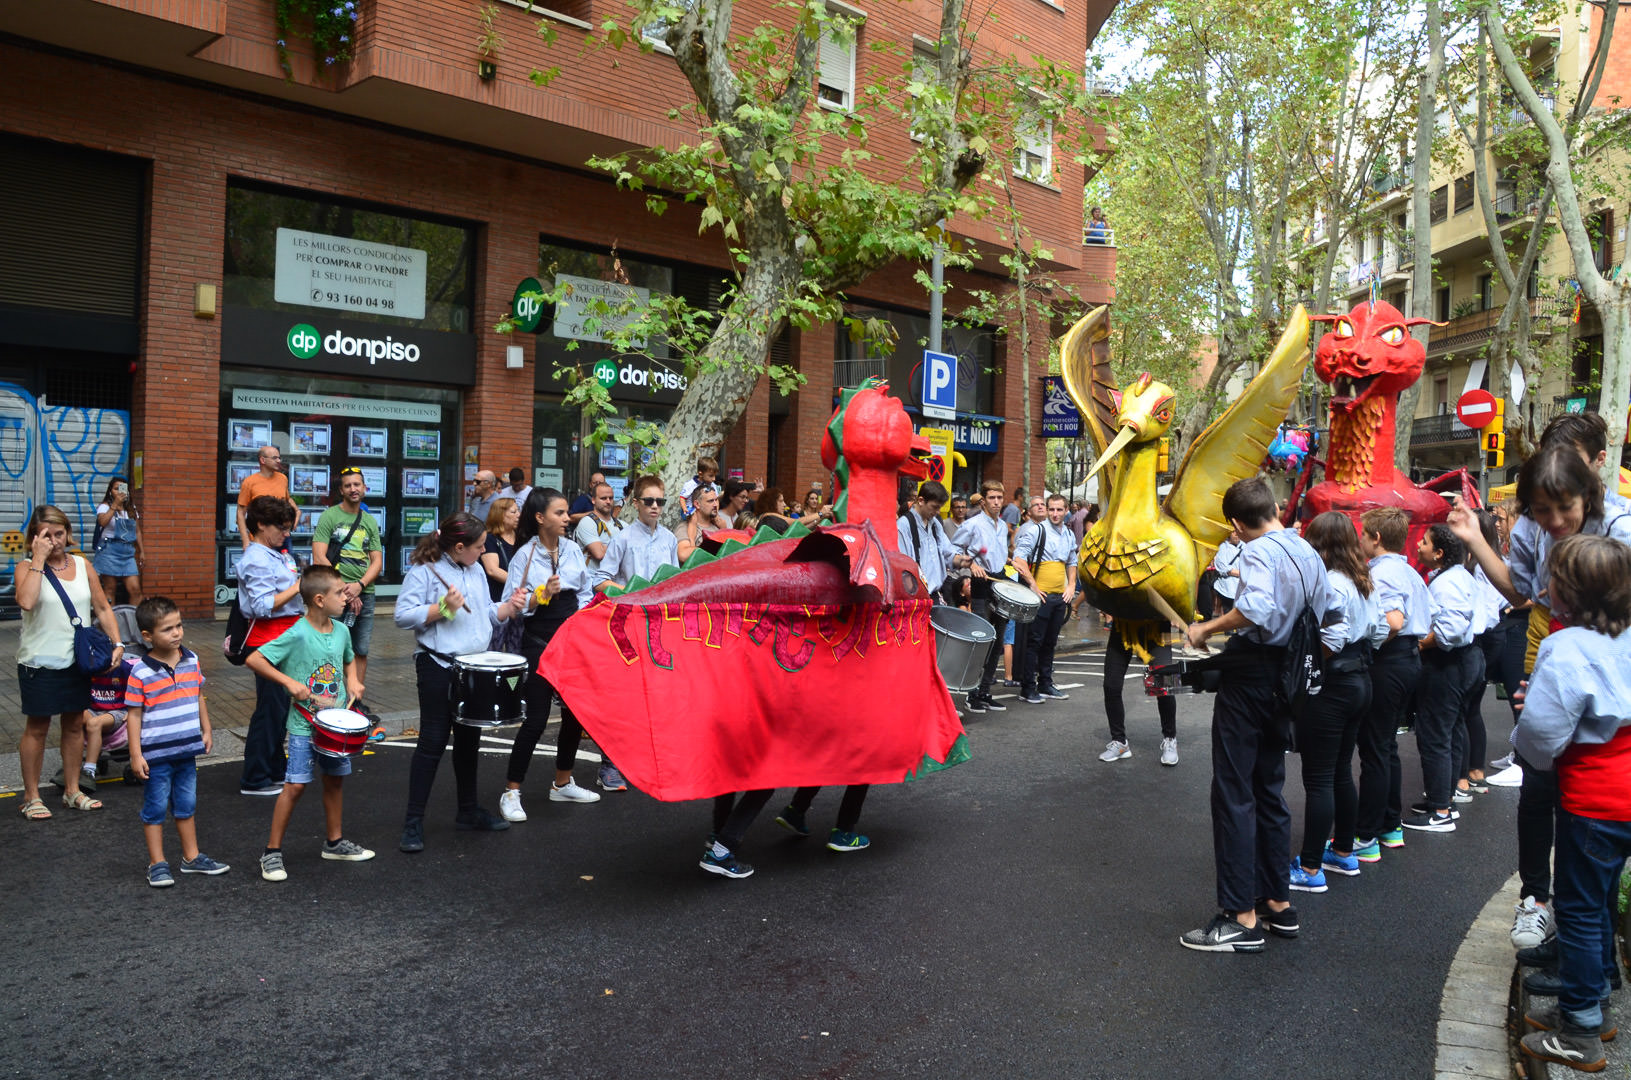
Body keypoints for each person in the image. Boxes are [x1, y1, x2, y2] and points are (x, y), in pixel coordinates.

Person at [1451, 425, 1631, 950]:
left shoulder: (1620, 524)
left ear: (1590, 475)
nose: (1550, 520)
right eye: (1539, 508)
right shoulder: (1533, 525)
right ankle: (1541, 903)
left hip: (1607, 654)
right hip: (1556, 646)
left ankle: (1586, 932)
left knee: (1591, 796)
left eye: (1562, 507)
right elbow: (1525, 592)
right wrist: (1476, 539)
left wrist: (1575, 678)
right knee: (1541, 784)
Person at [1180, 477, 1334, 953]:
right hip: (1288, 678)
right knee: (1268, 788)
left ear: (1236, 523)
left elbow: (1257, 609)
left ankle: (1238, 915)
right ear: (1274, 508)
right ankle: (1276, 903)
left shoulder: (1256, 552)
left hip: (1253, 676)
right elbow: (1329, 613)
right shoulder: (1306, 550)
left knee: (1233, 791)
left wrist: (1207, 628)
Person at [1513, 534, 1631, 1073]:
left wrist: (1528, 734)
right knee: (1602, 902)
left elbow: (1541, 734)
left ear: (1571, 592)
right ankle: (1597, 1001)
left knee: (1581, 910)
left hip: (1594, 798)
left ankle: (1581, 1028)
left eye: (1553, 579)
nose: (1545, 588)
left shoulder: (1565, 647)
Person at [395, 513, 529, 853]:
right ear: (458, 547)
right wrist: (441, 608)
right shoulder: (424, 572)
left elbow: (486, 613)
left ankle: (468, 811)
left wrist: (509, 607)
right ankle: (413, 822)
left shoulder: (476, 570)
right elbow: (402, 616)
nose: (484, 551)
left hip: (473, 666)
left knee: (469, 741)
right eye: (479, 546)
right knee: (433, 742)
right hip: (437, 664)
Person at [247, 565, 374, 881]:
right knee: (295, 785)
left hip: (335, 725)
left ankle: (334, 842)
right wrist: (288, 682)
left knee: (334, 780)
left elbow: (349, 660)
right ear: (319, 599)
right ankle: (271, 852)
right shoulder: (297, 633)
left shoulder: (342, 631)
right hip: (305, 725)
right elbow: (255, 659)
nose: (346, 597)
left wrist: (353, 680)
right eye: (339, 593)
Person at [1287, 511, 1378, 893]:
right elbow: (1379, 630)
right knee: (1340, 770)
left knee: (1319, 777)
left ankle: (1310, 868)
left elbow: (1332, 638)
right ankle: (1342, 851)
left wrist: (1306, 660)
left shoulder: (1333, 584)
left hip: (1334, 684)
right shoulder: (1361, 580)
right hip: (1360, 679)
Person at [15, 505, 124, 820]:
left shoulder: (82, 564)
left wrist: (117, 643)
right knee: (38, 728)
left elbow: (102, 607)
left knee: (75, 725)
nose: (54, 540)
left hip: (78, 662)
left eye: (59, 533)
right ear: (34, 538)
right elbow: (26, 601)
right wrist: (38, 559)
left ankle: (72, 791)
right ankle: (31, 797)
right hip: (39, 663)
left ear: (68, 533)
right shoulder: (26, 567)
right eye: (46, 535)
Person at [499, 488, 602, 821]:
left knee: (574, 715)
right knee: (537, 719)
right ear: (540, 518)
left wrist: (582, 618)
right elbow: (511, 605)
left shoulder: (572, 550)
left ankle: (562, 782)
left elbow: (585, 591)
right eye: (560, 513)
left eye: (567, 512)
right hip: (538, 642)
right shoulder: (524, 556)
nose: (567, 518)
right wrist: (539, 595)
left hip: (571, 639)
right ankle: (511, 791)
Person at [125, 596, 229, 886]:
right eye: (167, 629)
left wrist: (206, 729)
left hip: (186, 750)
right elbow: (133, 715)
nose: (176, 633)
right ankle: (157, 863)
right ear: (147, 636)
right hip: (156, 755)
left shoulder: (191, 660)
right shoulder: (140, 671)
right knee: (155, 807)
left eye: (179, 626)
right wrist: (135, 754)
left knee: (186, 804)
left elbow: (198, 695)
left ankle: (191, 857)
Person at [1353, 506, 1431, 864]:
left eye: (1363, 533)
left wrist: (1367, 642)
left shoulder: (1383, 572)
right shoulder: (1409, 571)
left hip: (1389, 662)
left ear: (1376, 538)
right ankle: (1389, 825)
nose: (1360, 539)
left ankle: (1366, 836)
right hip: (1408, 660)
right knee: (1385, 746)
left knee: (1375, 749)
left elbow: (1394, 621)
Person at [592, 475, 680, 791]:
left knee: (655, 695)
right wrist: (630, 593)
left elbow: (675, 581)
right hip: (628, 624)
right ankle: (610, 764)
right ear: (635, 503)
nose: (655, 506)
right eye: (649, 501)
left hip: (659, 626)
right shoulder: (623, 538)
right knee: (623, 697)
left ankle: (647, 762)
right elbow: (599, 579)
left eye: (660, 501)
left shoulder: (669, 539)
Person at [1406, 522, 1481, 834]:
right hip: (1461, 662)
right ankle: (1444, 801)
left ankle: (1440, 812)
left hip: (1447, 664)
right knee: (1449, 732)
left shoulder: (1448, 582)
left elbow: (1450, 630)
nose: (1418, 545)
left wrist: (1419, 644)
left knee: (1436, 735)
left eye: (1424, 542)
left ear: (1438, 553)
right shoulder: (1453, 577)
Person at [237, 495, 304, 797]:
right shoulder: (257, 558)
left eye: (288, 528)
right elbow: (262, 606)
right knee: (270, 710)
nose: (286, 533)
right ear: (262, 525)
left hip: (282, 638)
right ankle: (255, 778)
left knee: (278, 709)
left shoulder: (273, 554)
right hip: (268, 641)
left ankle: (274, 769)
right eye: (281, 528)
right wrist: (298, 587)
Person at [311, 467, 384, 734]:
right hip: (334, 596)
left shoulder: (369, 521)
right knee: (331, 647)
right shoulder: (330, 516)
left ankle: (355, 701)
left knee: (360, 649)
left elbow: (377, 560)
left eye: (357, 484)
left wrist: (360, 586)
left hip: (365, 593)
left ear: (364, 488)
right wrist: (344, 590)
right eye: (348, 485)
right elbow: (319, 556)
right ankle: (329, 698)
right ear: (341, 490)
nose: (353, 489)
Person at [952, 479, 1011, 714]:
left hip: (1000, 582)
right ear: (983, 501)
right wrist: (972, 564)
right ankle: (972, 694)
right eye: (992, 498)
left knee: (998, 640)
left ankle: (985, 692)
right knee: (982, 640)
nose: (996, 502)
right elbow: (954, 550)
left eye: (999, 498)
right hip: (980, 583)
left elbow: (999, 553)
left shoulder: (1003, 526)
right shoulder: (973, 524)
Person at [1013, 494, 1077, 705]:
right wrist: (1033, 585)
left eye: (1059, 510)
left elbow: (1072, 561)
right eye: (1051, 509)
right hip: (1040, 597)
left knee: (1050, 642)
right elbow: (1019, 559)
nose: (1055, 514)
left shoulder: (1068, 534)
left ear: (1066, 510)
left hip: (1059, 597)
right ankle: (1027, 688)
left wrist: (1071, 585)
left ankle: (1045, 684)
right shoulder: (1036, 531)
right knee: (1034, 642)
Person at [897, 481, 965, 598]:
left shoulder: (935, 524)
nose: (938, 512)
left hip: (935, 594)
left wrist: (963, 561)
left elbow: (948, 552)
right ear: (921, 501)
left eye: (939, 508)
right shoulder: (904, 525)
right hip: (916, 597)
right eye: (935, 507)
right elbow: (903, 567)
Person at [93, 475, 143, 605]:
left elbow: (137, 531)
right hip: (109, 551)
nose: (119, 492)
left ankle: (133, 617)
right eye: (116, 489)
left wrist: (142, 551)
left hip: (127, 553)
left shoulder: (131, 509)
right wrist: (114, 505)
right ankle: (110, 617)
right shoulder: (105, 507)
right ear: (110, 491)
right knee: (110, 589)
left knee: (135, 589)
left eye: (122, 489)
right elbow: (102, 522)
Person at [237, 444, 299, 547]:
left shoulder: (283, 479)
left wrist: (297, 511)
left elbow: (286, 500)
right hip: (261, 540)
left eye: (279, 458)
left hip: (282, 538)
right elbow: (240, 513)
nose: (279, 461)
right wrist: (245, 540)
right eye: (275, 458)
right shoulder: (249, 482)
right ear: (262, 460)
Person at [572, 481, 622, 572]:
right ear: (593, 500)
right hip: (592, 579)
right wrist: (622, 548)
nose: (608, 501)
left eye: (611, 498)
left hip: (615, 578)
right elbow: (599, 554)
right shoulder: (587, 522)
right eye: (603, 498)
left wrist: (605, 547)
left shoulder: (622, 525)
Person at [479, 497, 521, 602]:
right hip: (498, 599)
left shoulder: (521, 537)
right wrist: (521, 583)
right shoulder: (490, 539)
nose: (519, 515)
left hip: (519, 599)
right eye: (513, 512)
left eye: (518, 511)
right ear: (500, 516)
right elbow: (493, 570)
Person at [676, 482, 727, 562]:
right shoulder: (685, 527)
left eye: (716, 500)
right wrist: (712, 548)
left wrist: (724, 530)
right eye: (710, 501)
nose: (715, 504)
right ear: (697, 504)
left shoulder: (718, 526)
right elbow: (683, 554)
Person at [1210, 529, 1244, 616]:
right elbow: (1222, 567)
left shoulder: (1245, 546)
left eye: (1238, 531)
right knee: (1229, 616)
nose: (1236, 534)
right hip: (1227, 589)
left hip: (1242, 589)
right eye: (1233, 532)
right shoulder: (1222, 547)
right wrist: (1244, 573)